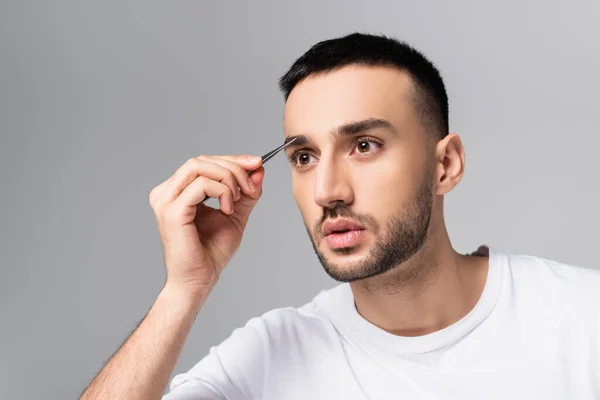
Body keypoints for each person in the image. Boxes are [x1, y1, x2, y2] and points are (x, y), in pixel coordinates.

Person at [80, 33, 600, 400]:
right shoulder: (271, 357)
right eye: (303, 158)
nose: (327, 191)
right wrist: (182, 292)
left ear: (445, 164)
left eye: (365, 145)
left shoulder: (582, 319)